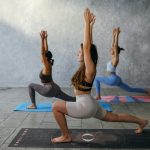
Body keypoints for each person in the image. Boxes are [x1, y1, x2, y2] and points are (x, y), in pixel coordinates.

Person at [51, 8, 148, 143]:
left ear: (87, 55)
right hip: (90, 103)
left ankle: (66, 136)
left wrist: (86, 24)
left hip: (85, 106)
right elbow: (88, 47)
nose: (78, 54)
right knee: (114, 117)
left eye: (80, 52)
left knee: (55, 106)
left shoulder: (90, 69)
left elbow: (86, 48)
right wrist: (90, 27)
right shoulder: (84, 68)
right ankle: (141, 121)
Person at [94, 27, 150, 100]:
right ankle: (147, 91)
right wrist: (113, 36)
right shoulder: (113, 57)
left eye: (112, 49)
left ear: (115, 51)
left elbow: (115, 45)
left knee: (96, 79)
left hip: (112, 79)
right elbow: (113, 45)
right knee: (130, 89)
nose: (110, 49)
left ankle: (98, 95)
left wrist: (117, 35)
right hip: (116, 79)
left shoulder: (115, 59)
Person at [27, 31, 75, 109]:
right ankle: (83, 100)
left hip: (48, 90)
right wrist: (45, 39)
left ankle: (33, 105)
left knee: (30, 85)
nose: (41, 57)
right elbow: (46, 52)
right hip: (55, 88)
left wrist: (42, 40)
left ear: (45, 58)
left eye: (42, 56)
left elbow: (43, 53)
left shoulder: (47, 66)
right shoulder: (48, 65)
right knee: (71, 99)